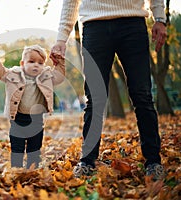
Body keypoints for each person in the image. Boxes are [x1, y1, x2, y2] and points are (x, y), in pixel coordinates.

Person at [50, 0, 167, 181]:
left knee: (142, 95)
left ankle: (153, 161)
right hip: (94, 26)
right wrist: (61, 39)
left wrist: (159, 18)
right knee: (94, 99)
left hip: (133, 23)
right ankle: (87, 161)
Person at [0, 44, 65, 168]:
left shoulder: (46, 76)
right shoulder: (13, 75)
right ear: (22, 63)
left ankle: (32, 169)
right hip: (18, 118)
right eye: (31, 61)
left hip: (37, 119)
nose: (36, 65)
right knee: (17, 147)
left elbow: (59, 76)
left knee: (34, 147)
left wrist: (59, 61)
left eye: (40, 63)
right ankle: (16, 169)